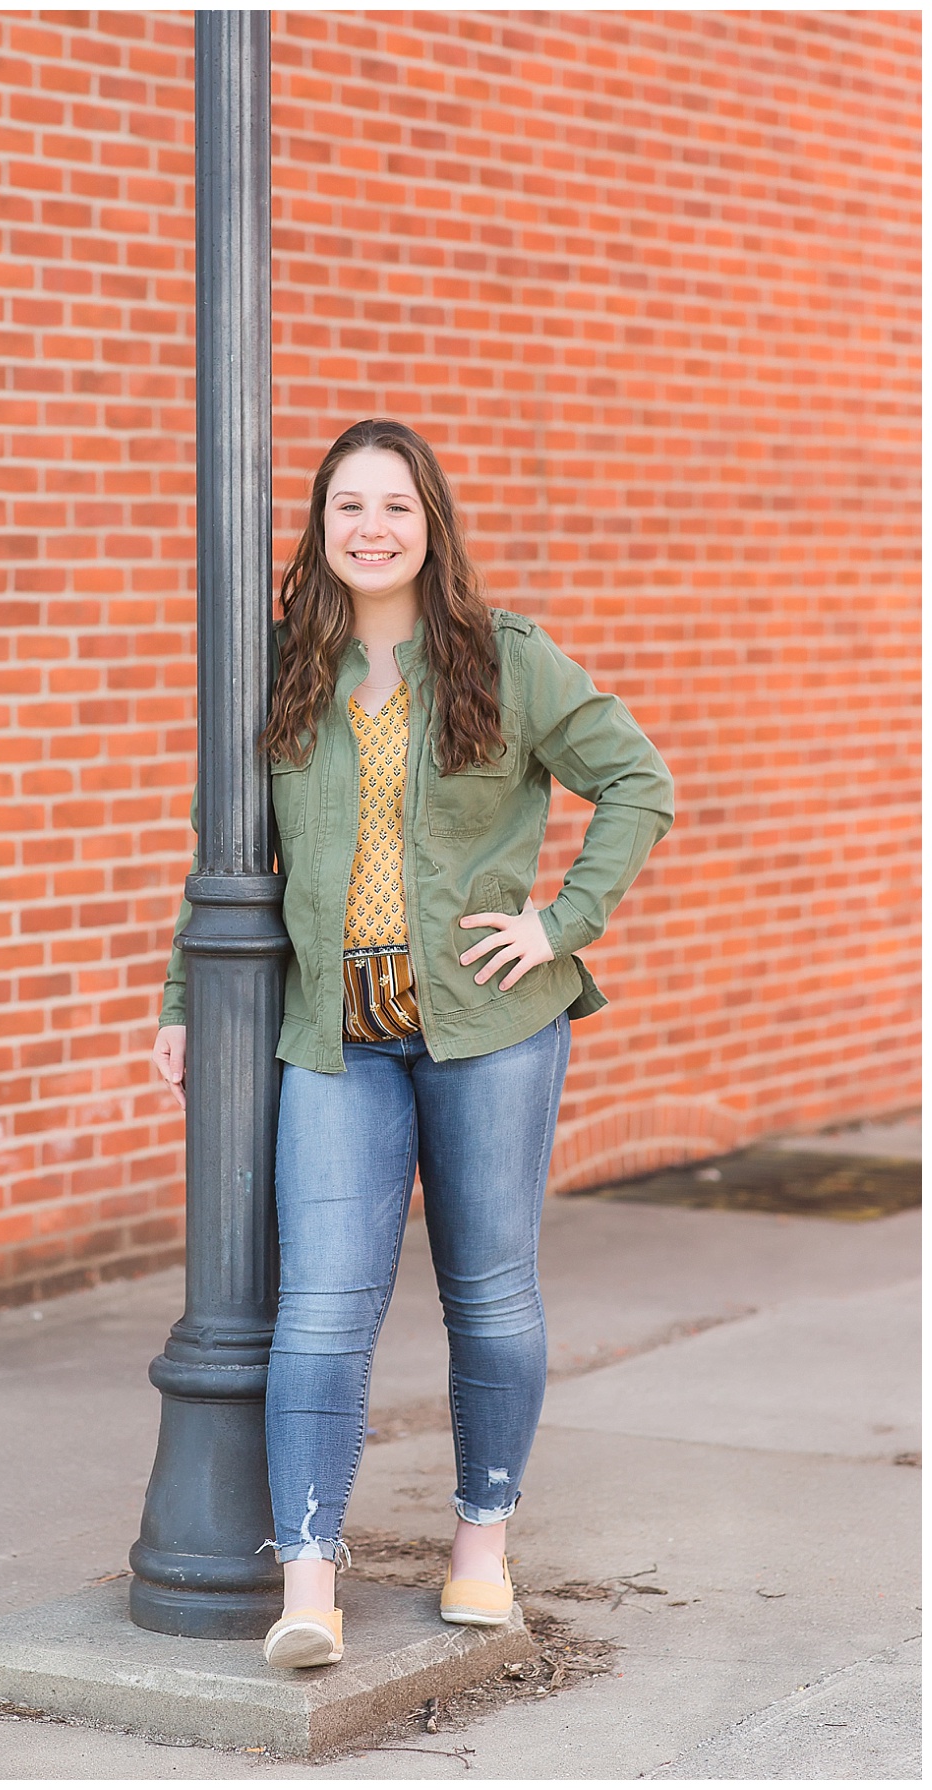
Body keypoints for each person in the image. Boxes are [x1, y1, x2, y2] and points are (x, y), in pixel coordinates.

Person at [152, 418, 674, 1670]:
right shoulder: (279, 671)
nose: (372, 527)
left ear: (430, 524)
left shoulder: (507, 658)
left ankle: (480, 1546)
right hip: (335, 1035)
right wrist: (183, 1002)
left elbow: (638, 782)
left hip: (487, 1026)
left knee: (488, 1292)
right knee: (321, 1305)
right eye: (348, 507)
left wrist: (557, 923)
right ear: (321, 529)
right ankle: (311, 1577)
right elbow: (229, 858)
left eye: (395, 505)